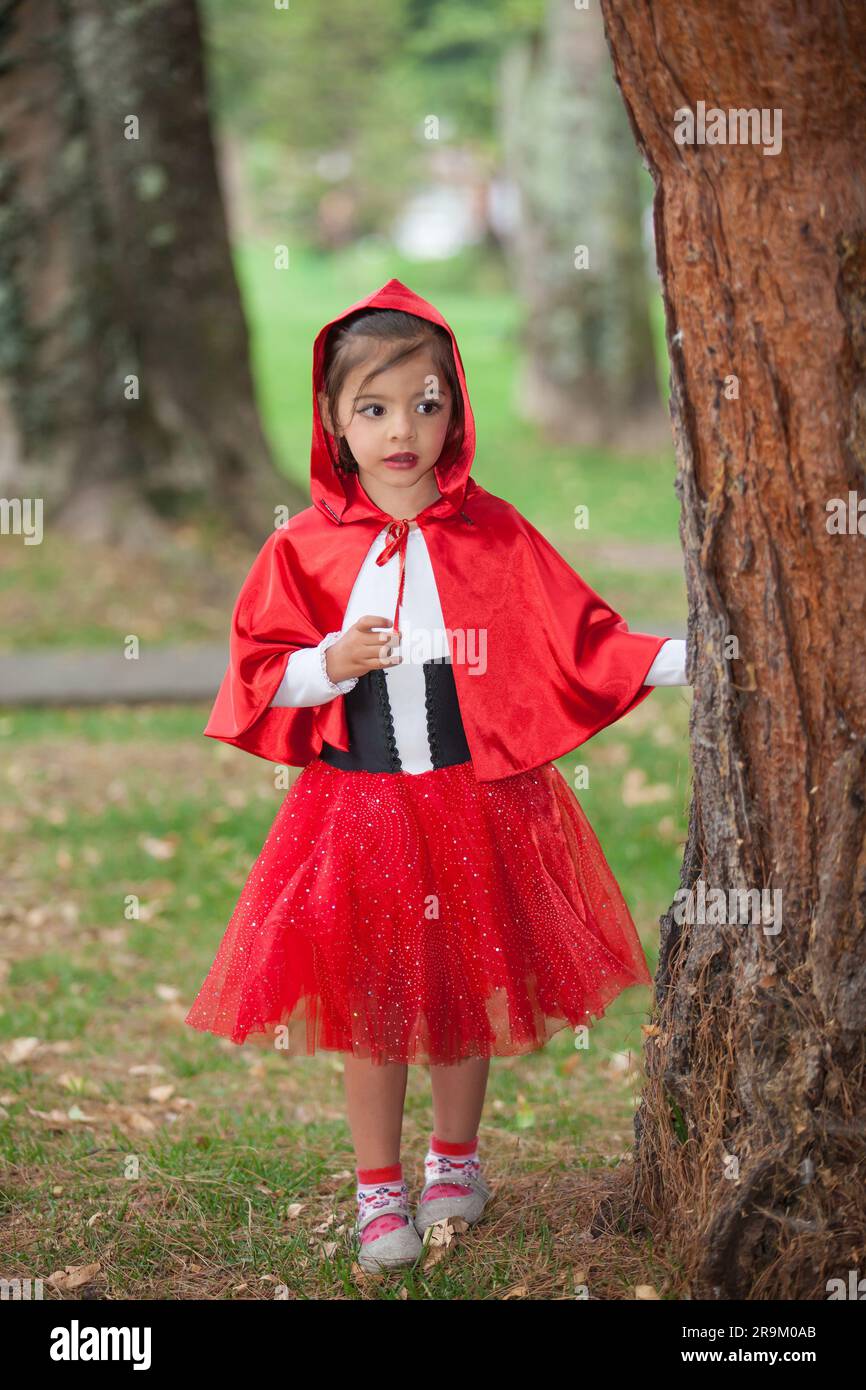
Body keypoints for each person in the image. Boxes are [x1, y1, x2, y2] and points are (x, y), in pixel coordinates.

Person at [185, 278, 690, 1273]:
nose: (401, 428)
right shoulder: (305, 547)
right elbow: (253, 672)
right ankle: (378, 1188)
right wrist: (325, 663)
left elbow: (581, 641)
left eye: (426, 402)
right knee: (372, 999)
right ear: (334, 421)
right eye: (371, 408)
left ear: (455, 406)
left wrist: (697, 649)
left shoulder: (492, 535)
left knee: (466, 980)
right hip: (358, 802)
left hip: (476, 799)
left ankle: (454, 1156)